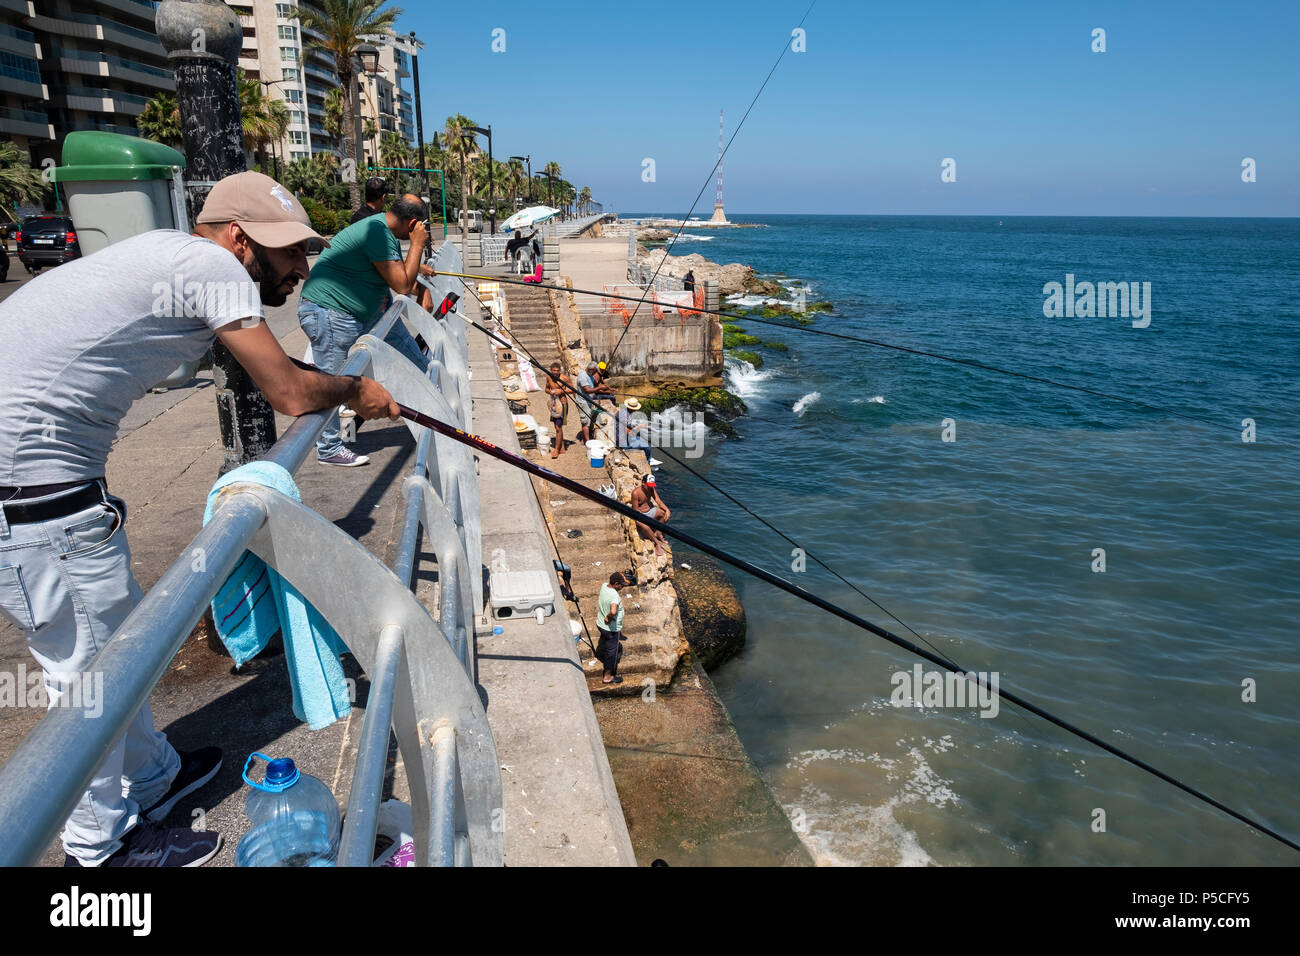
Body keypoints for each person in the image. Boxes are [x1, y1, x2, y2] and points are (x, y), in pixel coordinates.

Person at [0, 170, 401, 867]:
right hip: (34, 502)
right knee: (90, 677)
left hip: (49, 491)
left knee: (120, 643)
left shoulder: (171, 257)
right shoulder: (210, 264)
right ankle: (101, 848)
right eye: (289, 255)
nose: (302, 271)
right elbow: (286, 388)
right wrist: (356, 390)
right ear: (241, 241)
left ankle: (154, 777)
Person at [298, 193, 434, 466]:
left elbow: (387, 271)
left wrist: (421, 282)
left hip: (366, 311)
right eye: (422, 227)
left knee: (415, 360)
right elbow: (402, 285)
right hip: (330, 311)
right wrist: (418, 244)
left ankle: (432, 414)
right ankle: (328, 448)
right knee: (334, 381)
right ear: (413, 224)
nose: (424, 231)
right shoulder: (377, 232)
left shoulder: (381, 230)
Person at [596, 572, 627, 685]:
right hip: (611, 629)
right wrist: (609, 617)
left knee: (604, 640)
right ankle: (608, 677)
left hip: (600, 624)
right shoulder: (614, 596)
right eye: (621, 585)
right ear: (616, 583)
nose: (622, 587)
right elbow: (613, 611)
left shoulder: (604, 586)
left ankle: (599, 653)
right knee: (611, 652)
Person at [630, 472, 670, 556]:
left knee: (663, 514)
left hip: (650, 511)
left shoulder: (651, 489)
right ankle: (657, 543)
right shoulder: (635, 493)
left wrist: (667, 510)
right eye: (648, 485)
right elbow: (636, 510)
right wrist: (645, 520)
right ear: (643, 483)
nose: (650, 487)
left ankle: (658, 532)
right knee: (646, 527)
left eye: (651, 485)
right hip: (640, 515)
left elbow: (658, 501)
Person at [576, 361, 615, 444]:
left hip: (589, 401)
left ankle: (585, 438)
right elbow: (587, 390)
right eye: (594, 371)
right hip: (583, 402)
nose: (595, 373)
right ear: (591, 370)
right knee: (585, 422)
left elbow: (598, 384)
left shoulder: (590, 375)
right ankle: (587, 442)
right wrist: (601, 389)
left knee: (587, 420)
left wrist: (608, 388)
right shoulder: (583, 376)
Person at [544, 361, 571, 459]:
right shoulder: (549, 377)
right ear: (551, 370)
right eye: (554, 371)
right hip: (553, 404)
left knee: (558, 427)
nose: (556, 372)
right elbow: (546, 389)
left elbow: (572, 389)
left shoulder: (564, 378)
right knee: (556, 427)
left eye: (557, 371)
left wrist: (561, 391)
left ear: (560, 371)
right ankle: (562, 446)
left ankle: (556, 450)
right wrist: (550, 391)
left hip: (562, 404)